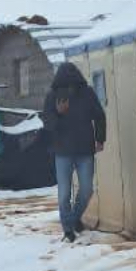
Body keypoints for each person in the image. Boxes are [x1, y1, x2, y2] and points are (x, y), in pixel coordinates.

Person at [41, 62, 107, 242]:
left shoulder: (87, 93)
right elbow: (48, 123)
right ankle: (68, 230)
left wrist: (100, 139)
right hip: (62, 152)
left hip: (85, 150)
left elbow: (99, 116)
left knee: (87, 190)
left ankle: (73, 219)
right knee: (64, 194)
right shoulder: (53, 96)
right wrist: (59, 113)